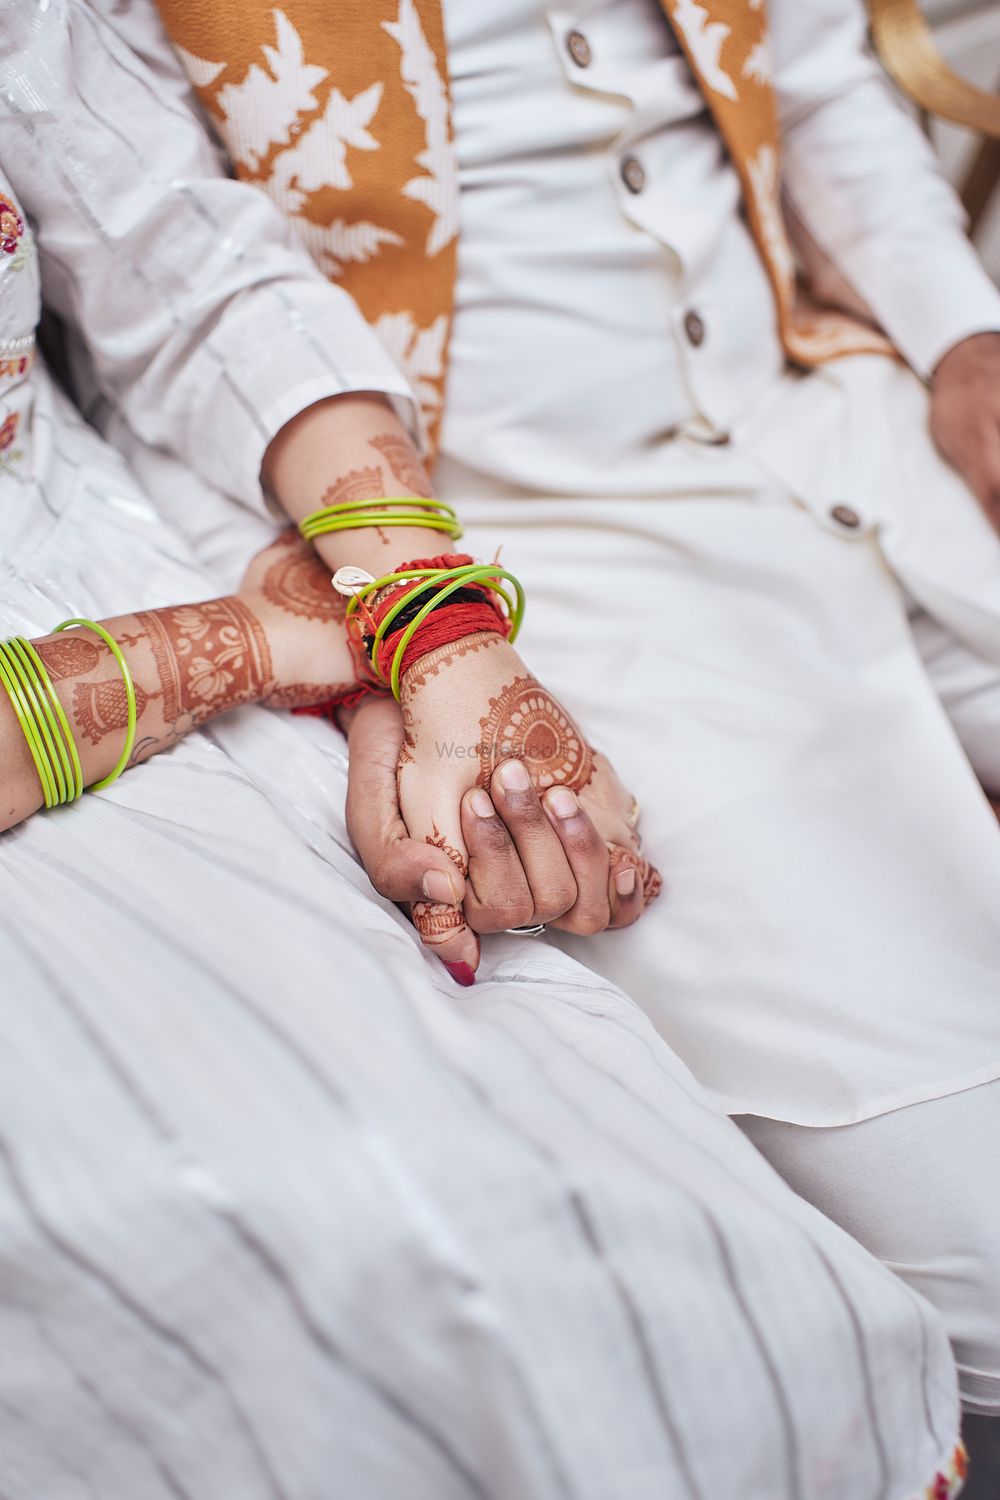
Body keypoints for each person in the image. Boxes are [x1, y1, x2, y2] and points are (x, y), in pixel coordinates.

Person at [1, 4, 978, 1496]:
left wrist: (427, 631)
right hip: (492, 539)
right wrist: (309, 636)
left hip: (821, 421)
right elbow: (141, 348)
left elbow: (176, 264)